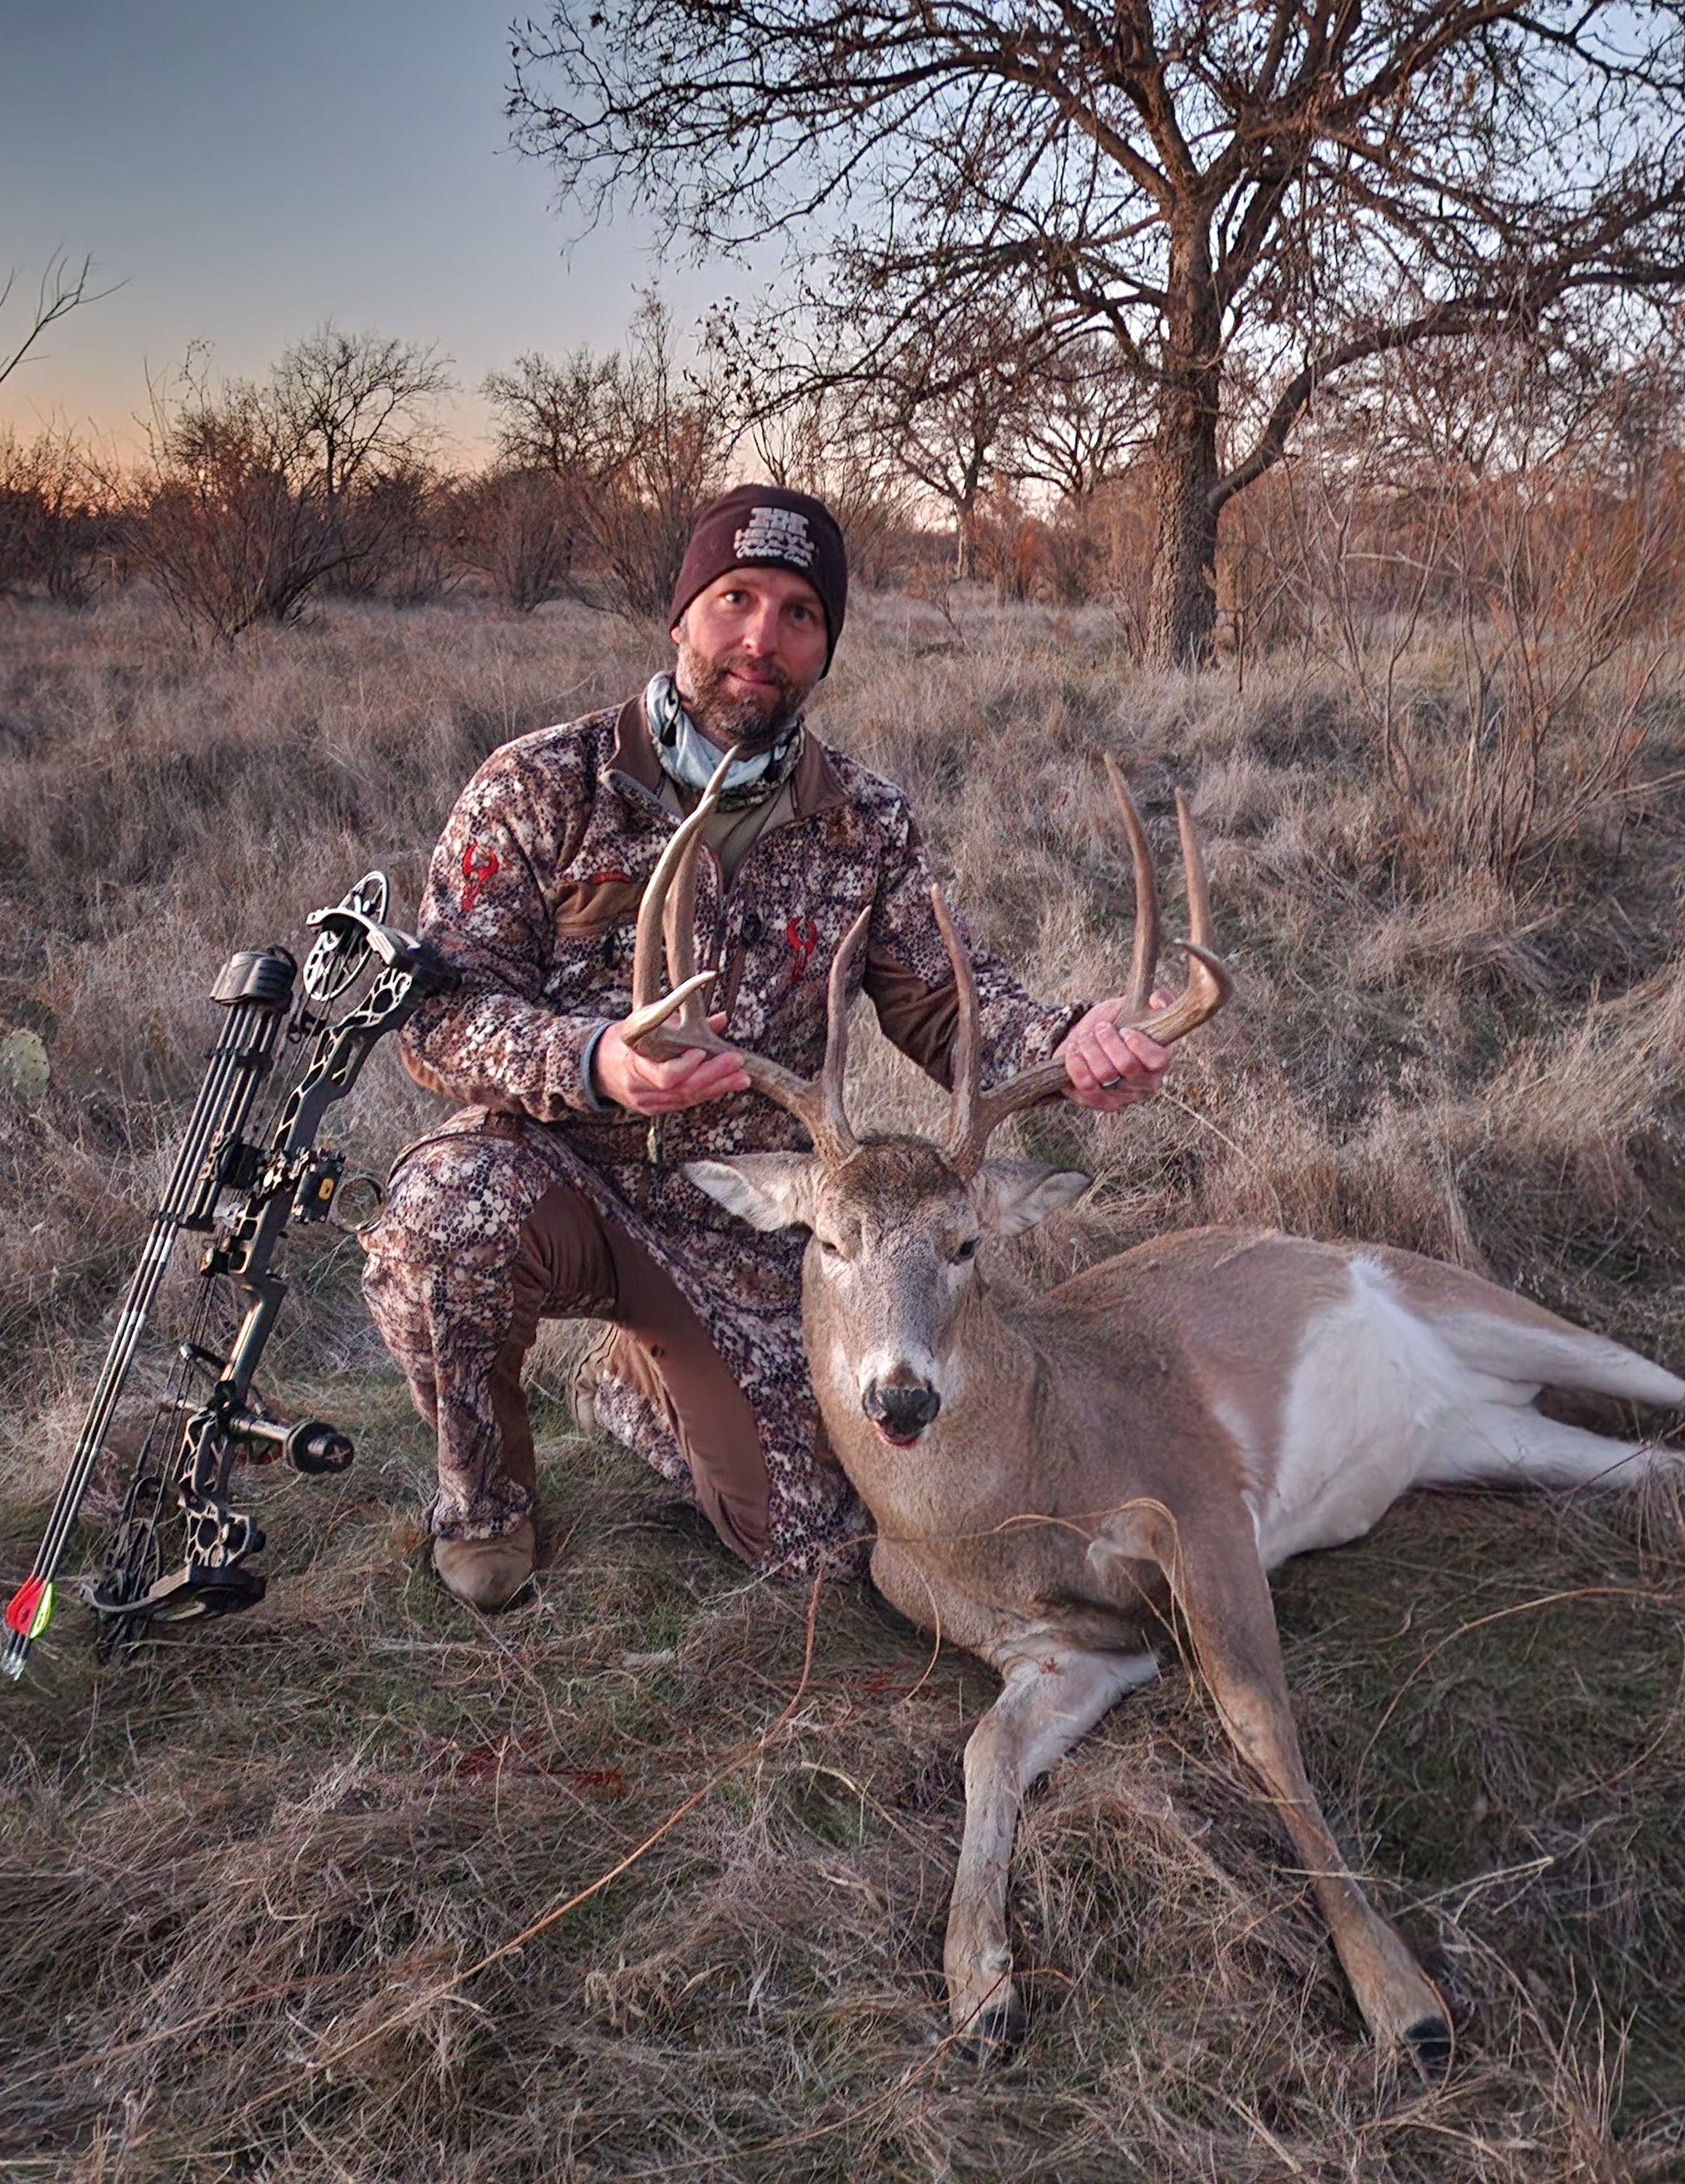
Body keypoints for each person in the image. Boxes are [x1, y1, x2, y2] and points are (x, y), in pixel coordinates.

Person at [362, 485, 1175, 1607]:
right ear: (682, 615)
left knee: (824, 1547)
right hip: (557, 1177)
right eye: (736, 599)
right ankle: (484, 1501)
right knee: (442, 1218)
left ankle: (631, 1383)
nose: (762, 637)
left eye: (799, 613)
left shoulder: (864, 820)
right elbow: (440, 1017)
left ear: (824, 644)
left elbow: (949, 1005)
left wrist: (1072, 1040)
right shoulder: (542, 786)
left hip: (748, 1220)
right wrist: (597, 1061)